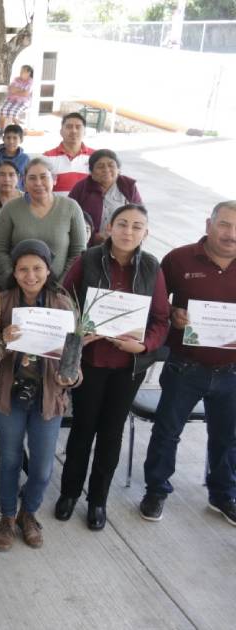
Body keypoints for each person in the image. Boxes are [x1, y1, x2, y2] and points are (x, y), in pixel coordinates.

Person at [56, 204, 169, 531]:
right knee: (82, 429)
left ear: (146, 232)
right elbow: (63, 301)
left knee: (111, 433)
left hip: (128, 366)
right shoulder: (88, 259)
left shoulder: (151, 266)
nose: (128, 231)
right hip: (91, 361)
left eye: (137, 226)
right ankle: (69, 493)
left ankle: (98, 500)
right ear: (109, 227)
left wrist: (144, 346)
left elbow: (161, 319)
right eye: (122, 224)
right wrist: (80, 333)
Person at [141, 201, 236, 525]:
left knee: (228, 437)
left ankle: (223, 495)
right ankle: (156, 490)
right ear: (209, 224)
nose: (231, 233)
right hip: (185, 367)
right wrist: (172, 315)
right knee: (167, 432)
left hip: (232, 371)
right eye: (224, 224)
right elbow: (153, 304)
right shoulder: (178, 259)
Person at [0, 239, 80, 550]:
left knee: (41, 468)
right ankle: (7, 516)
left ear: (48, 270)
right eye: (23, 269)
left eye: (37, 268)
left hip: (47, 397)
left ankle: (28, 512)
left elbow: (73, 360)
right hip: (10, 395)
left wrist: (71, 376)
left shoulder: (62, 305)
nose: (30, 275)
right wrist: (2, 339)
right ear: (14, 272)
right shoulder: (2, 302)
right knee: (10, 460)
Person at [0, 158, 88, 286]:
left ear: (54, 179)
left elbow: (78, 253)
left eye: (43, 177)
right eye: (32, 178)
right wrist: (17, 279)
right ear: (24, 182)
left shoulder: (71, 207)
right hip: (16, 286)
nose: (38, 183)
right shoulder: (10, 208)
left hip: (60, 288)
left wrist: (61, 285)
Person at [69, 149, 143, 244]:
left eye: (111, 165)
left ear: (118, 170)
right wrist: (94, 238)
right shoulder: (81, 188)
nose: (106, 170)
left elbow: (139, 217)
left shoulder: (128, 186)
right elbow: (68, 217)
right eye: (100, 166)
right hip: (86, 244)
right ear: (91, 173)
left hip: (121, 243)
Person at [43, 112, 94, 194]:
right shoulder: (47, 157)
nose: (73, 131)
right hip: (57, 202)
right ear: (61, 132)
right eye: (69, 127)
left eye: (78, 127)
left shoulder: (95, 156)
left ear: (85, 132)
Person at [0, 124, 29, 194]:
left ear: (21, 140)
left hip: (18, 197)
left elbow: (27, 181)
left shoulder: (25, 159)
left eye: (15, 138)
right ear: (3, 139)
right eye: (8, 138)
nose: (11, 141)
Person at [0, 65, 34, 133]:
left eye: (23, 71)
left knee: (14, 113)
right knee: (2, 111)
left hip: (22, 102)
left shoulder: (30, 82)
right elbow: (10, 88)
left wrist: (15, 91)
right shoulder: (16, 79)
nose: (21, 73)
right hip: (11, 100)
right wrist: (21, 90)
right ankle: (1, 130)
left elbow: (26, 94)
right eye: (21, 71)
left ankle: (19, 131)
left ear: (28, 73)